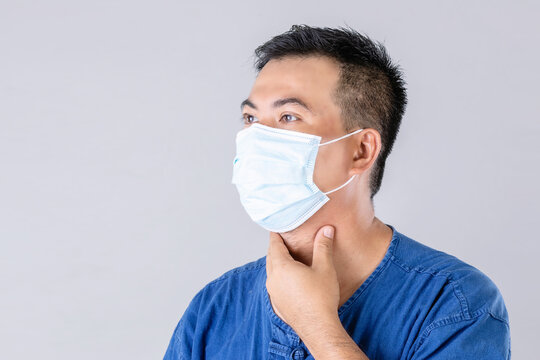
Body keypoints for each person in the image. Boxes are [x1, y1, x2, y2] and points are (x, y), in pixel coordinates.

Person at [163, 25, 511, 359]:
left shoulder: (454, 303)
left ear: (361, 150)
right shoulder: (215, 308)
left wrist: (318, 326)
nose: (256, 139)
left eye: (288, 117)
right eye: (251, 119)